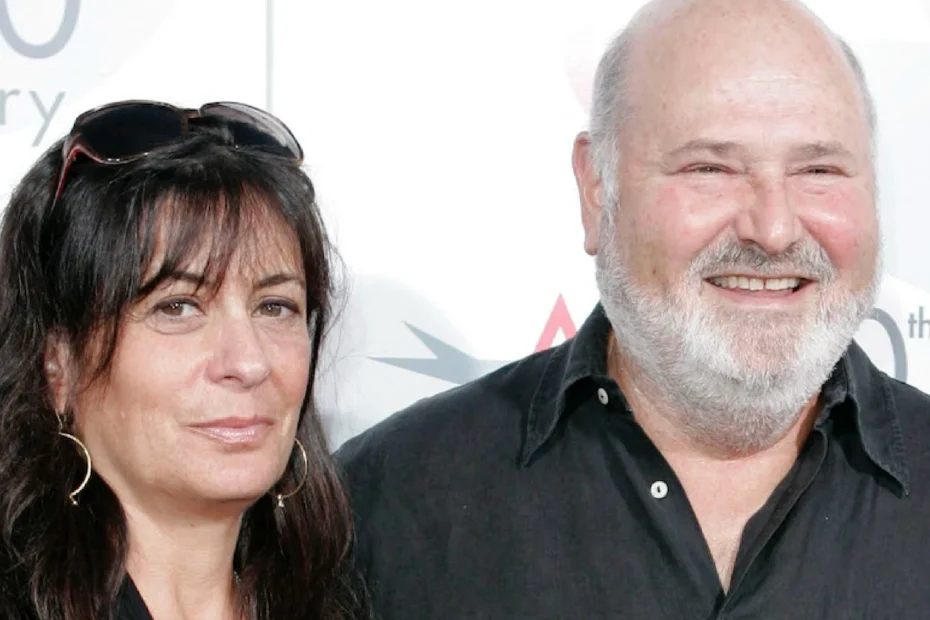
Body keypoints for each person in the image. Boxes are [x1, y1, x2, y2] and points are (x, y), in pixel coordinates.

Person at [336, 0, 930, 617]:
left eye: (819, 169)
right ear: (596, 187)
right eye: (710, 168)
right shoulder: (387, 503)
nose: (774, 229)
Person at [0, 101, 369, 619]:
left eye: (274, 306)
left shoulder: (352, 597)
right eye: (178, 307)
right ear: (57, 366)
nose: (249, 362)